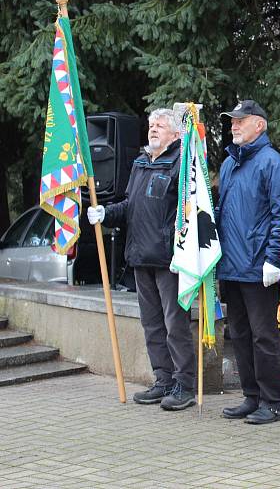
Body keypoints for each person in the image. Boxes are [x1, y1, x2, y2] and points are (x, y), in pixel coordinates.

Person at [87, 108, 196, 411]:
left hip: (168, 259)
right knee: (152, 325)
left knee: (175, 325)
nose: (153, 129)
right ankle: (162, 380)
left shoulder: (181, 163)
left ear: (175, 134)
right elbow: (130, 205)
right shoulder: (140, 162)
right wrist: (106, 213)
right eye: (151, 125)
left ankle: (184, 384)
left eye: (160, 125)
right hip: (139, 256)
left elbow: (190, 213)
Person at [217, 99, 280, 425]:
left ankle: (272, 401)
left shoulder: (272, 163)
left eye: (240, 120)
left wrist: (273, 259)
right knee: (240, 335)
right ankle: (251, 396)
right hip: (231, 265)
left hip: (259, 267)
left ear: (258, 125)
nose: (234, 125)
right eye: (232, 121)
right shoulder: (229, 163)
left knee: (264, 336)